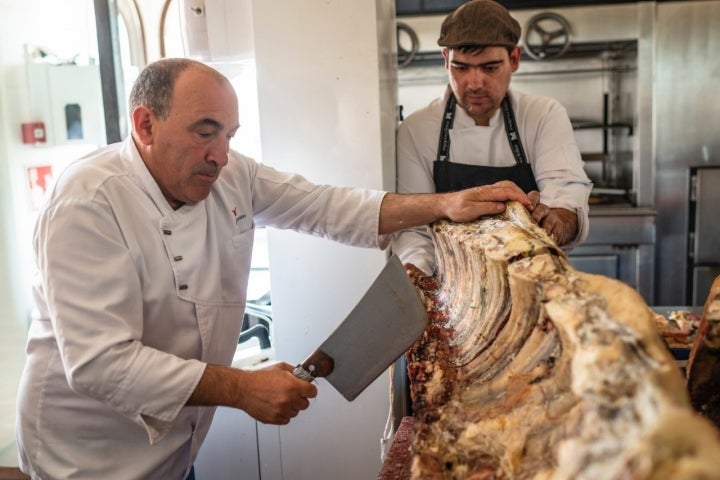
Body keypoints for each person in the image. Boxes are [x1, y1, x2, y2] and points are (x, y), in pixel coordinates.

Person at [15, 57, 534, 479]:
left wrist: (444, 205)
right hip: (88, 457)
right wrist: (242, 388)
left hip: (178, 446)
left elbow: (326, 206)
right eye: (205, 132)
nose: (220, 155)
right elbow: (99, 363)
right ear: (145, 124)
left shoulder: (226, 172)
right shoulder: (88, 202)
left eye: (229, 135)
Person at [392, 0, 593, 276]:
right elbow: (415, 230)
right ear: (445, 60)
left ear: (514, 59)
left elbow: (567, 197)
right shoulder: (416, 130)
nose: (474, 83)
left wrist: (555, 222)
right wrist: (419, 278)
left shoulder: (543, 115)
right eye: (461, 68)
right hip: (451, 287)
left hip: (531, 278)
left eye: (489, 68)